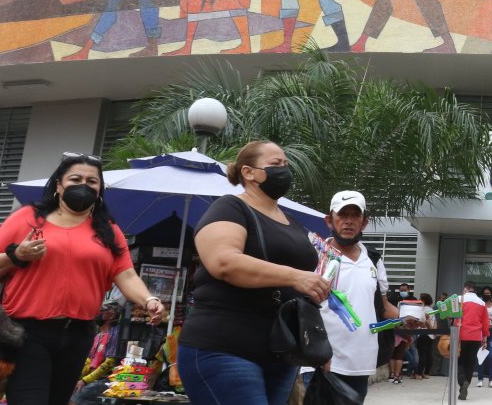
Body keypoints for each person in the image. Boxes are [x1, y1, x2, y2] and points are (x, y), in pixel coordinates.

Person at [0, 152, 165, 405]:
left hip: (78, 334)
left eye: (91, 181)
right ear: (58, 185)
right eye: (75, 179)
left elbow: (126, 274)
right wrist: (16, 255)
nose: (83, 186)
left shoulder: (108, 231)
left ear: (100, 189)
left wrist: (149, 299)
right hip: (27, 332)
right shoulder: (28, 218)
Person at [178, 141, 332, 405]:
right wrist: (295, 276)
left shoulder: (291, 221)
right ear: (248, 172)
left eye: (286, 164)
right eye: (275, 164)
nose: (284, 170)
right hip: (224, 346)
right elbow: (223, 262)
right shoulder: (230, 208)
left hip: (281, 353)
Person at [302, 191, 400, 399]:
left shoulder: (373, 259)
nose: (348, 221)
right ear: (330, 220)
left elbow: (383, 308)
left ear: (364, 222)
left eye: (355, 216)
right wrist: (313, 353)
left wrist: (411, 318)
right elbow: (299, 307)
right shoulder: (313, 254)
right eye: (342, 215)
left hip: (361, 361)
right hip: (322, 362)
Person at [457, 281, 489, 400]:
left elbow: (452, 316)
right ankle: (466, 382)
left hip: (460, 335)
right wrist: (484, 339)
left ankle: (462, 382)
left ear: (466, 289)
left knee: (460, 360)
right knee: (470, 362)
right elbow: (485, 323)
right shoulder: (481, 303)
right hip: (476, 337)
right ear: (474, 290)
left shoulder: (458, 299)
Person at [477, 286, 492, 387]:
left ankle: (491, 379)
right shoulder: (479, 305)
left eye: (488, 293)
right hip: (481, 333)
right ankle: (480, 379)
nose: (486, 295)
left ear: (491, 294)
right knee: (481, 357)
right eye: (485, 293)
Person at [413, 293, 438, 380]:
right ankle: (426, 372)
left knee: (422, 356)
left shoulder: (422, 310)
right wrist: (434, 332)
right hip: (430, 336)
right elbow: (435, 323)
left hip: (423, 334)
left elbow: (422, 323)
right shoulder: (432, 310)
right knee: (429, 356)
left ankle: (418, 373)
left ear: (423, 301)